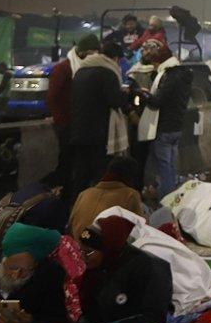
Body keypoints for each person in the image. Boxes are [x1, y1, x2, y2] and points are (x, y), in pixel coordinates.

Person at [74, 215, 173, 323]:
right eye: (80, 251)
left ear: (108, 248)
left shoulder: (150, 268)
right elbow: (90, 308)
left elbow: (154, 317)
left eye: (88, 252)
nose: (82, 257)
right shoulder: (98, 268)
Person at [66, 36, 126, 205]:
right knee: (100, 176)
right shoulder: (107, 73)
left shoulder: (80, 72)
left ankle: (76, 209)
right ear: (114, 58)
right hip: (99, 134)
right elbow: (115, 101)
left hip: (78, 132)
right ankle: (98, 210)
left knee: (80, 176)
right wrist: (125, 95)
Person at [139, 41, 192, 200]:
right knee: (171, 165)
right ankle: (169, 194)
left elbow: (157, 101)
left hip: (165, 128)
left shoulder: (170, 76)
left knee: (164, 168)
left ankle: (167, 200)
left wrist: (144, 94)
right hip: (177, 126)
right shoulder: (183, 73)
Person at [69, 155, 148, 239]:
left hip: (77, 242)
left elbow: (70, 224)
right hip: (103, 245)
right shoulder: (131, 195)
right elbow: (142, 230)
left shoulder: (84, 193)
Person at [45, 44, 78, 190]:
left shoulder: (70, 67)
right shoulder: (65, 68)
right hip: (65, 121)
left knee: (68, 158)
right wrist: (58, 116)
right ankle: (63, 190)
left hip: (68, 120)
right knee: (66, 158)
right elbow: (52, 96)